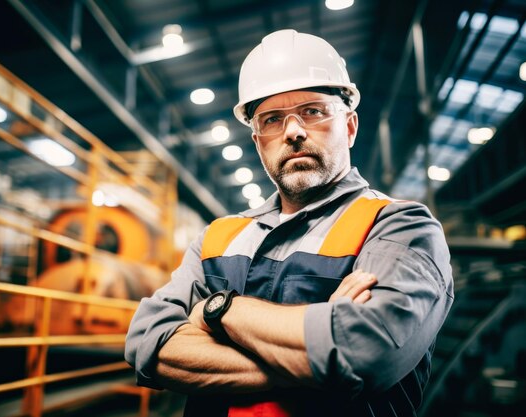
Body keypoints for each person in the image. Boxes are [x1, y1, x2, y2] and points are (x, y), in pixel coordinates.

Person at [125, 29, 454, 417]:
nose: (294, 131)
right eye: (273, 119)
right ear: (258, 141)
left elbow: (364, 353)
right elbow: (147, 343)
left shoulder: (399, 227)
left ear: (349, 126)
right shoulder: (219, 236)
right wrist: (313, 355)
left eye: (313, 111)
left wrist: (219, 312)